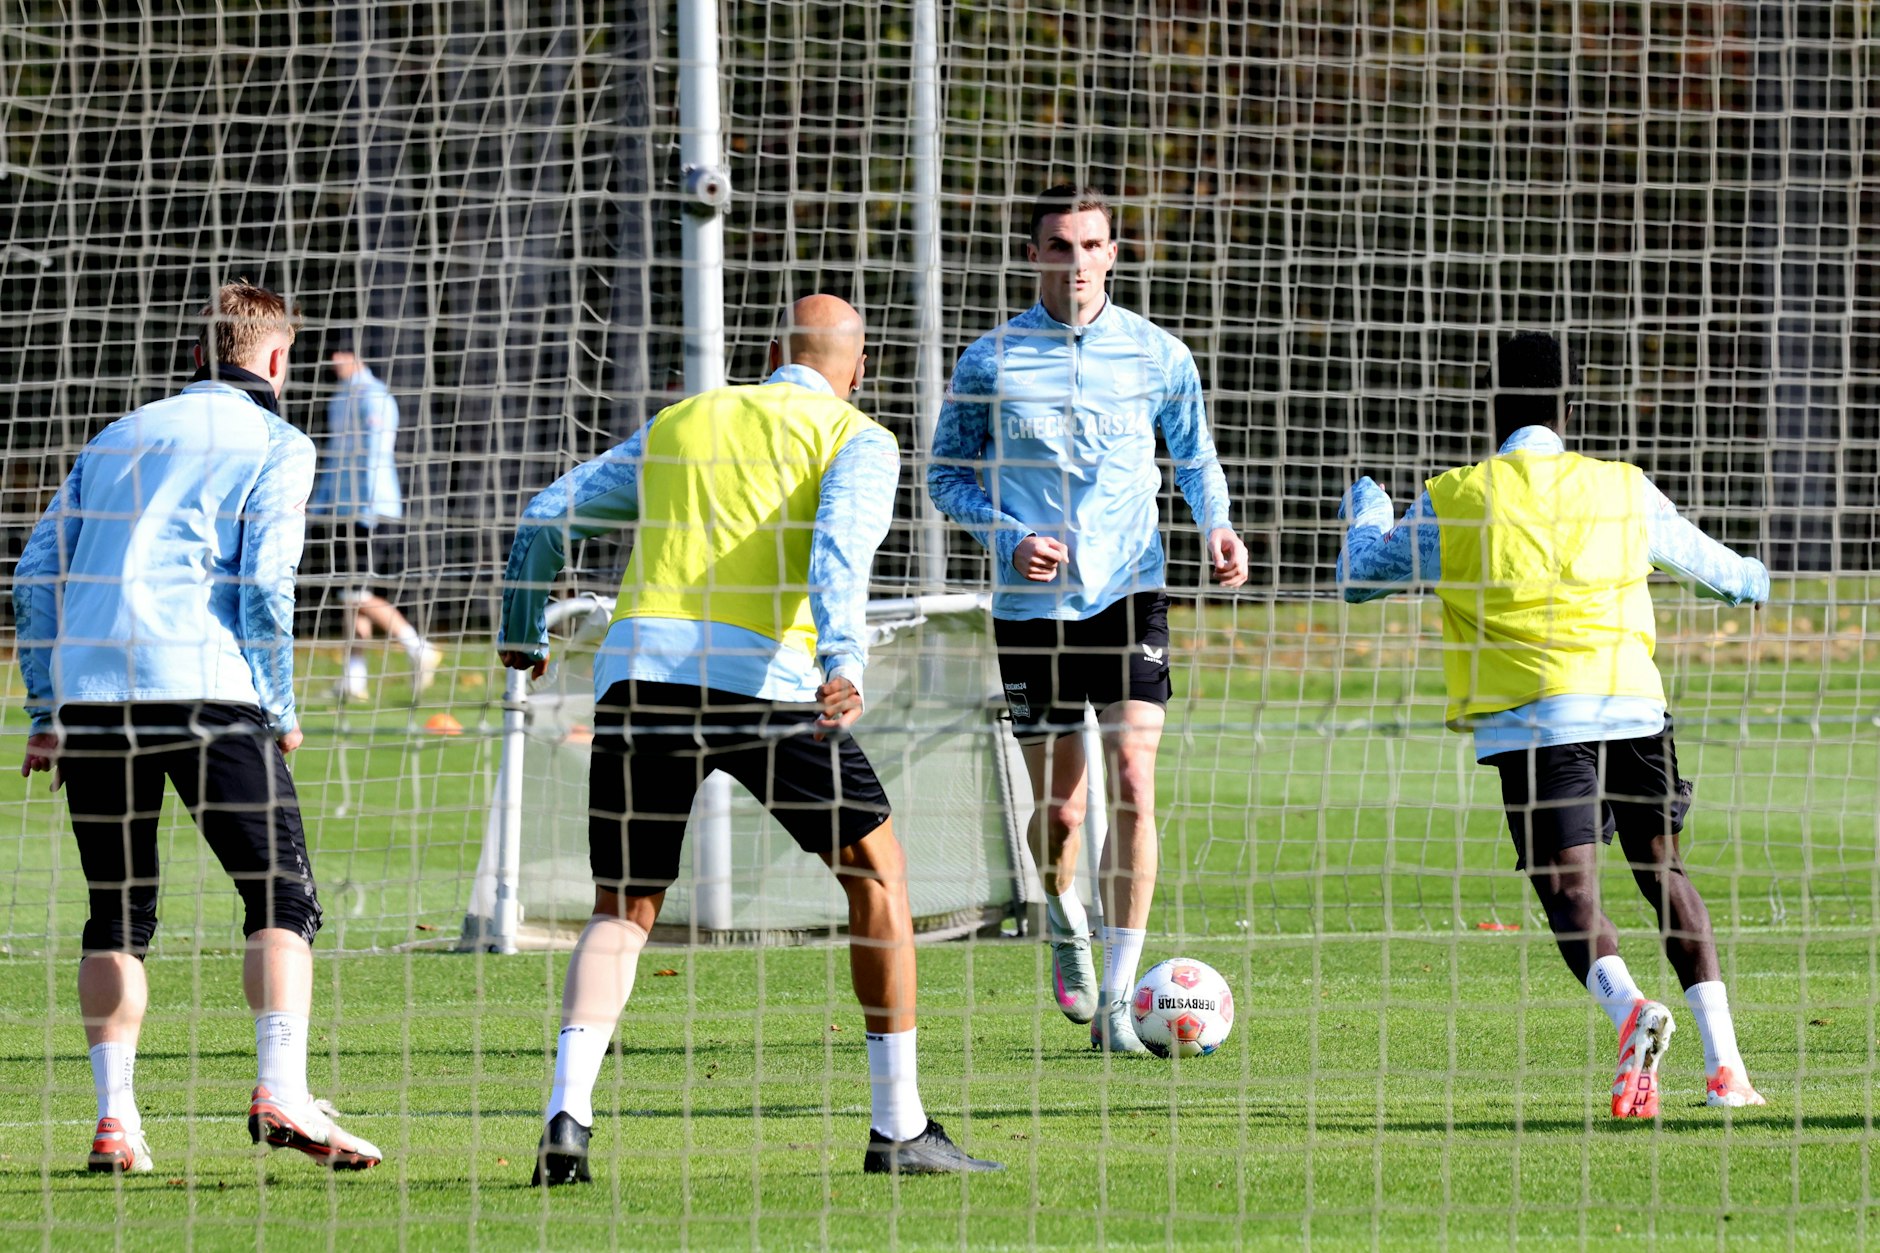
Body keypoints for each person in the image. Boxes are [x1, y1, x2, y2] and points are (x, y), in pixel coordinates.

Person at [498, 294, 1002, 1182]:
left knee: (623, 908)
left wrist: (522, 625)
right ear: (859, 366)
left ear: (771, 352)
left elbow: (547, 513)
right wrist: (842, 656)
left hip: (639, 680)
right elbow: (839, 551)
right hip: (766, 685)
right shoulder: (856, 434)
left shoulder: (682, 418)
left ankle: (567, 1120)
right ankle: (899, 1129)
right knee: (878, 876)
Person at [1337, 331, 1770, 1117]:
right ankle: (1728, 1069)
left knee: (1569, 889)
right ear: (1570, 409)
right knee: (1664, 872)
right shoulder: (1621, 486)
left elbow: (1362, 579)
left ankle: (1631, 1012)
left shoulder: (1459, 496)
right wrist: (1756, 577)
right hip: (1635, 706)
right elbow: (1724, 573)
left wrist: (1366, 505)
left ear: (1491, 408)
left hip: (1535, 719)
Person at [13, 281, 382, 1173]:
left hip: (95, 698)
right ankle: (280, 1089)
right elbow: (264, 585)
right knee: (280, 897)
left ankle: (115, 1120)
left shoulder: (115, 437)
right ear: (279, 359)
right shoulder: (278, 441)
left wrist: (44, 709)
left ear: (196, 356)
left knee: (118, 912)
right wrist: (281, 707)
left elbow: (32, 576)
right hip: (211, 690)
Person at [927, 184, 1248, 1053]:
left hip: (1131, 589)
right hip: (1033, 608)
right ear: (1033, 256)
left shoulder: (1156, 353)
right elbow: (945, 477)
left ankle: (1116, 995)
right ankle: (1065, 916)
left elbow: (1196, 454)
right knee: (1061, 813)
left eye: (1091, 245)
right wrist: (1008, 537)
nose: (1076, 262)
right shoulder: (991, 361)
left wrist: (1217, 525)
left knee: (1136, 778)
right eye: (1059, 247)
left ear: (1114, 254)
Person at [310, 336, 439, 700]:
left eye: (339, 353)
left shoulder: (374, 396)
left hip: (371, 509)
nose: (334, 360)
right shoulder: (339, 398)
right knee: (350, 595)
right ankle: (355, 679)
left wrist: (363, 505)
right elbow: (336, 459)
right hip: (343, 508)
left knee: (354, 592)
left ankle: (418, 647)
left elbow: (374, 452)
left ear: (354, 355)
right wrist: (319, 504)